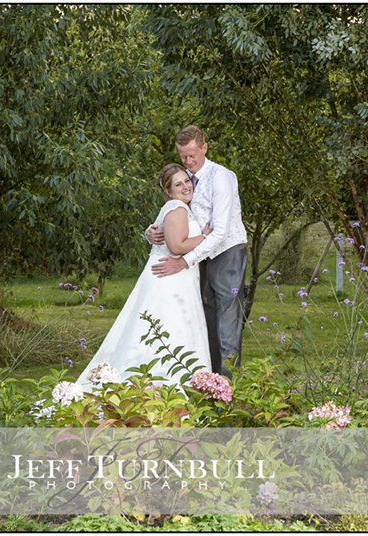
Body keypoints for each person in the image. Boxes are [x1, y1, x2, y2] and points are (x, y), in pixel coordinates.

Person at [75, 163, 213, 392]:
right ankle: (166, 391)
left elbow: (166, 237)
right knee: (172, 330)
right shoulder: (177, 207)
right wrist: (205, 236)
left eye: (187, 181)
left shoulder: (175, 207)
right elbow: (177, 246)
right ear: (168, 191)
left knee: (153, 331)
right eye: (178, 184)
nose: (186, 186)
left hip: (171, 278)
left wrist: (150, 234)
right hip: (171, 281)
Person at [146, 126, 247, 378]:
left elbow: (220, 231)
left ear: (204, 147)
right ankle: (210, 383)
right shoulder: (185, 179)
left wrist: (185, 262)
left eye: (192, 155)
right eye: (183, 156)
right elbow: (177, 216)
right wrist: (152, 231)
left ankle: (230, 389)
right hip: (199, 257)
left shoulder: (221, 177)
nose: (188, 161)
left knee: (226, 322)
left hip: (226, 253)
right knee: (206, 322)